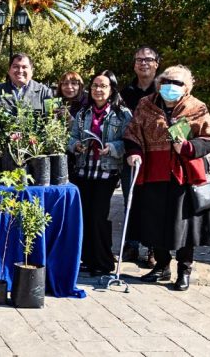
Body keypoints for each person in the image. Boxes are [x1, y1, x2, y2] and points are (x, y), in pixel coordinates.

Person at [124, 65, 210, 291]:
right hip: (153, 172)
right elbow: (132, 133)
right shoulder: (145, 105)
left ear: (188, 87)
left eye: (178, 83)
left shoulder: (196, 107)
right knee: (155, 223)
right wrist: (134, 153)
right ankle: (161, 266)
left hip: (184, 176)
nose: (171, 86)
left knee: (184, 226)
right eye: (167, 81)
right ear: (159, 83)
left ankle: (184, 271)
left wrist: (187, 146)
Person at [68, 71, 132, 277]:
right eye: (95, 85)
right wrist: (76, 145)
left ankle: (103, 262)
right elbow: (71, 137)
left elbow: (129, 143)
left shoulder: (122, 114)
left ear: (112, 89)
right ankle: (87, 258)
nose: (98, 90)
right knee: (85, 216)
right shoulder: (83, 114)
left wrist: (112, 148)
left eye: (103, 86)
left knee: (99, 217)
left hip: (106, 172)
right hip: (83, 171)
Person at [120, 46, 161, 266]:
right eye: (138, 60)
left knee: (154, 202)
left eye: (148, 59)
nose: (143, 63)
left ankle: (153, 248)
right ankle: (132, 245)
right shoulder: (125, 92)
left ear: (156, 63)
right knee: (131, 200)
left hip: (158, 155)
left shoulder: (165, 90)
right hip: (131, 154)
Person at [0, 53, 53, 174]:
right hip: (2, 156)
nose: (20, 70)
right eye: (15, 66)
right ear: (9, 70)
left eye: (24, 67)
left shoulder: (44, 92)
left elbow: (50, 119)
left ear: (32, 70)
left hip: (33, 156)